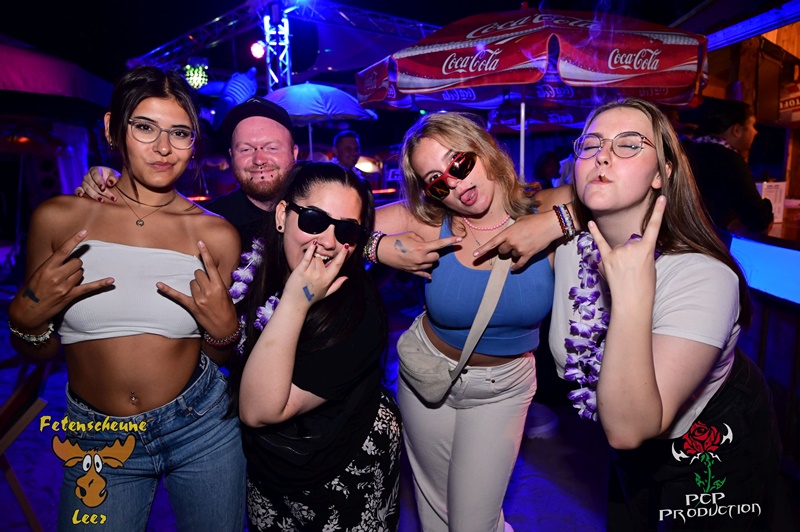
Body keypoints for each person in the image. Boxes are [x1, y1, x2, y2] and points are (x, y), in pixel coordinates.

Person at [476, 97, 780, 530]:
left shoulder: (703, 277)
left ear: (662, 173)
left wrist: (632, 297)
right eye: (592, 144)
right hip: (625, 447)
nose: (603, 155)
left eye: (629, 144)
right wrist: (558, 220)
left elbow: (628, 428)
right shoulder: (570, 246)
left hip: (715, 442)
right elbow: (496, 210)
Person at [7, 66, 246, 530]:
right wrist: (26, 320)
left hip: (202, 428)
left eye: (180, 133)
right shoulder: (59, 219)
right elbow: (40, 350)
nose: (163, 148)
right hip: (96, 436)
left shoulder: (216, 235)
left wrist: (225, 333)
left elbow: (218, 354)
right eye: (145, 127)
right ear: (112, 128)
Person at [374, 112, 554, 532]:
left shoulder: (543, 210)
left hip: (502, 387)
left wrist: (559, 220)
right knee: (436, 516)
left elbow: (631, 198)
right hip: (426, 378)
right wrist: (376, 249)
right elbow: (331, 225)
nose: (453, 183)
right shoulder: (427, 221)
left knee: (473, 523)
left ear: (484, 149)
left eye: (458, 163)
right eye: (436, 181)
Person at [230, 161, 401, 530]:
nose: (327, 240)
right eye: (313, 219)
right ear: (282, 216)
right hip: (268, 470)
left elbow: (259, 411)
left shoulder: (360, 315)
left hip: (342, 471)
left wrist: (295, 301)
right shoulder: (256, 266)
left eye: (346, 229)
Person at [77, 97, 298, 249]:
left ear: (295, 153)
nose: (259, 159)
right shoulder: (212, 224)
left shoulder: (316, 204)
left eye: (272, 147)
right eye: (246, 149)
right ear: (232, 156)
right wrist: (119, 184)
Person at [682, 99, 773, 247]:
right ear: (737, 130)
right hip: (706, 250)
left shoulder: (686, 150)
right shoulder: (730, 161)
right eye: (752, 125)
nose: (755, 132)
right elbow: (758, 221)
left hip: (672, 247)